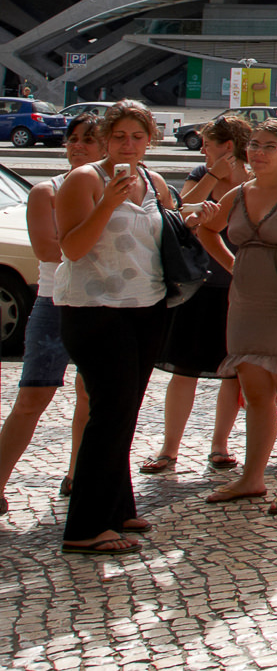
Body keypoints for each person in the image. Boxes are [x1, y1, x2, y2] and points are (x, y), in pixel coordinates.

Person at [52, 100, 172, 554]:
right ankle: (84, 527)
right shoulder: (84, 180)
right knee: (108, 412)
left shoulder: (154, 181)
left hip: (147, 305)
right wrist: (106, 203)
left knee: (125, 411)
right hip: (94, 308)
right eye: (120, 136)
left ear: (150, 139)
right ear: (105, 139)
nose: (129, 145)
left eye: (137, 137)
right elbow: (73, 248)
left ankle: (118, 506)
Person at [195, 120, 277, 517]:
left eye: (269, 146)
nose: (258, 153)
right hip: (246, 304)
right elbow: (206, 229)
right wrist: (234, 266)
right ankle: (252, 478)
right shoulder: (239, 192)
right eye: (253, 145)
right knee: (254, 395)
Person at [0, 115, 100, 513]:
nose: (77, 146)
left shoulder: (120, 191)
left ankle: (79, 475)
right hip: (55, 303)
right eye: (72, 139)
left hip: (102, 306)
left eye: (88, 140)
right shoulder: (48, 190)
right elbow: (48, 250)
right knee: (32, 398)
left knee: (91, 398)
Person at [143, 114, 249, 477]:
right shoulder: (200, 174)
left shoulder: (252, 178)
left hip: (240, 290)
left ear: (228, 146)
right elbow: (178, 210)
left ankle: (220, 445)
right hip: (199, 285)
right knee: (184, 370)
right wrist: (214, 176)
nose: (202, 149)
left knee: (232, 373)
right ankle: (169, 449)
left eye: (208, 144)